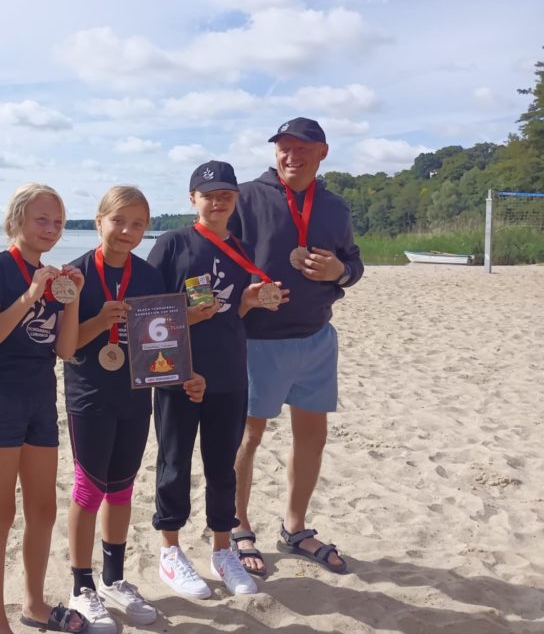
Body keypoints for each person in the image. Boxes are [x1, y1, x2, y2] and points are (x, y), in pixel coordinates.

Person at [63, 186, 204, 632]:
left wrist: (187, 374)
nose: (127, 231)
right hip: (89, 394)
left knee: (122, 489)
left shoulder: (148, 276)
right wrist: (100, 321)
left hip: (134, 396)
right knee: (89, 490)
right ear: (99, 220)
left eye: (138, 224)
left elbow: (162, 340)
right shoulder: (77, 273)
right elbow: (64, 348)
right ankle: (81, 585)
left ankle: (113, 578)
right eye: (118, 221)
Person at [147, 160, 287, 600]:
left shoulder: (241, 250)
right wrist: (185, 326)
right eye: (208, 194)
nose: (218, 200)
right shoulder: (172, 244)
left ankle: (222, 549)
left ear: (236, 199)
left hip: (229, 371)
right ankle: (170, 550)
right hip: (179, 376)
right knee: (174, 465)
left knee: (222, 466)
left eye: (225, 193)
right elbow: (147, 317)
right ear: (192, 199)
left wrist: (247, 301)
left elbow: (232, 313)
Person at [229, 117, 363, 576]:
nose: (291, 156)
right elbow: (218, 257)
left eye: (302, 149)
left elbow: (354, 261)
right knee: (247, 437)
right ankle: (238, 526)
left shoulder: (334, 206)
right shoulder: (245, 197)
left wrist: (338, 273)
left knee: (313, 437)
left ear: (322, 153)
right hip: (257, 341)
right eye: (284, 148)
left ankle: (295, 528)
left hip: (316, 338)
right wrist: (243, 295)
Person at [0, 184, 87, 634]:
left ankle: (34, 604)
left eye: (58, 223)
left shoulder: (53, 277)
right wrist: (30, 295)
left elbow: (65, 349)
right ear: (17, 220)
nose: (52, 230)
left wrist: (69, 300)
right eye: (42, 220)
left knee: (44, 510)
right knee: (0, 512)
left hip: (41, 397)